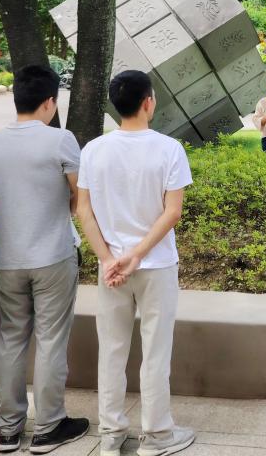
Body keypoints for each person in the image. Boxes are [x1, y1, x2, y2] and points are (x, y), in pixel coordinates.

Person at [74, 71, 195, 456]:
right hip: (156, 265)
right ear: (148, 102)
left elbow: (83, 210)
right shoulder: (169, 149)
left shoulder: (93, 150)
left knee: (111, 350)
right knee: (156, 352)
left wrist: (109, 258)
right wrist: (138, 254)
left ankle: (111, 434)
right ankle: (157, 435)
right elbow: (172, 212)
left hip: (111, 269)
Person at [0, 65, 90, 453]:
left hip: (8, 259)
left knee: (10, 339)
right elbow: (79, 195)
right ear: (49, 102)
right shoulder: (61, 140)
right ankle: (49, 425)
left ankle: (8, 428)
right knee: (51, 340)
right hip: (53, 256)